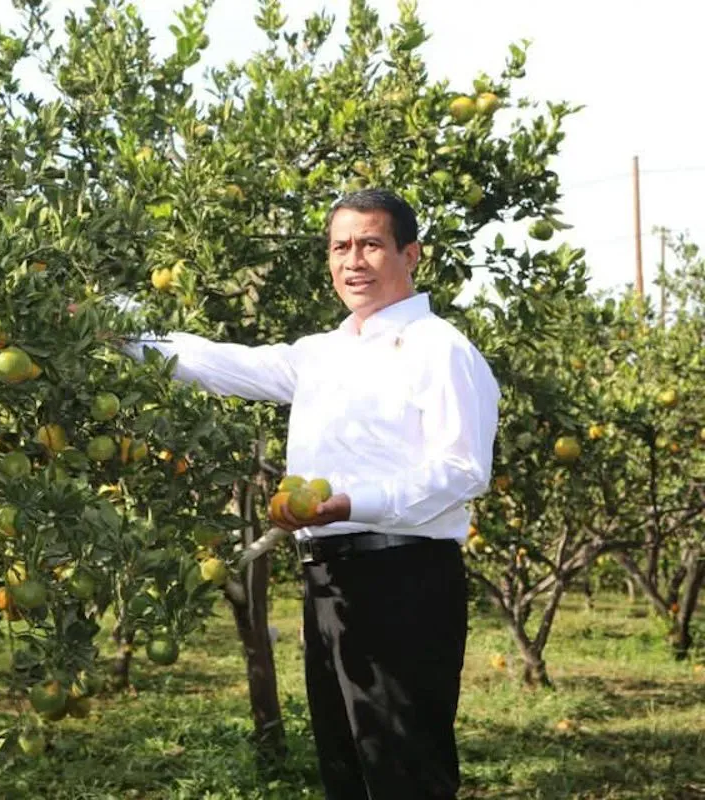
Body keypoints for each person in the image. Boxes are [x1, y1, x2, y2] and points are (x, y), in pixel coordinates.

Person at [119, 188, 500, 800]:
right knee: (345, 765)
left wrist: (351, 503)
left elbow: (461, 470)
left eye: (370, 244)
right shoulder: (322, 354)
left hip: (403, 577)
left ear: (410, 255)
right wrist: (110, 323)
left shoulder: (441, 349)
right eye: (340, 247)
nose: (354, 260)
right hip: (328, 578)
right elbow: (216, 362)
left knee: (404, 772)